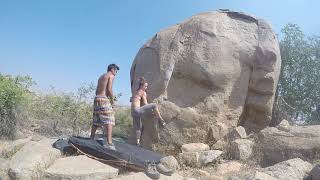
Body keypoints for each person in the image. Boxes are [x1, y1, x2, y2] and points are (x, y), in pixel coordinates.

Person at [90, 64, 119, 150]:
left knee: (96, 119)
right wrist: (112, 102)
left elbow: (96, 91)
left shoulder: (101, 77)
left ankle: (91, 138)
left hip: (97, 98)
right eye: (116, 71)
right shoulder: (111, 75)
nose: (116, 73)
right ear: (112, 69)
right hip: (103, 98)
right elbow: (109, 89)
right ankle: (109, 143)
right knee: (110, 119)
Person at [131, 77, 166, 146]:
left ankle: (138, 142)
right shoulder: (143, 92)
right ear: (142, 86)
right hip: (137, 110)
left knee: (138, 127)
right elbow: (145, 103)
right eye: (145, 86)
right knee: (154, 105)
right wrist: (151, 111)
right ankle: (161, 120)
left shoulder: (136, 91)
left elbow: (132, 100)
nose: (146, 87)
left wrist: (142, 79)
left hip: (133, 112)